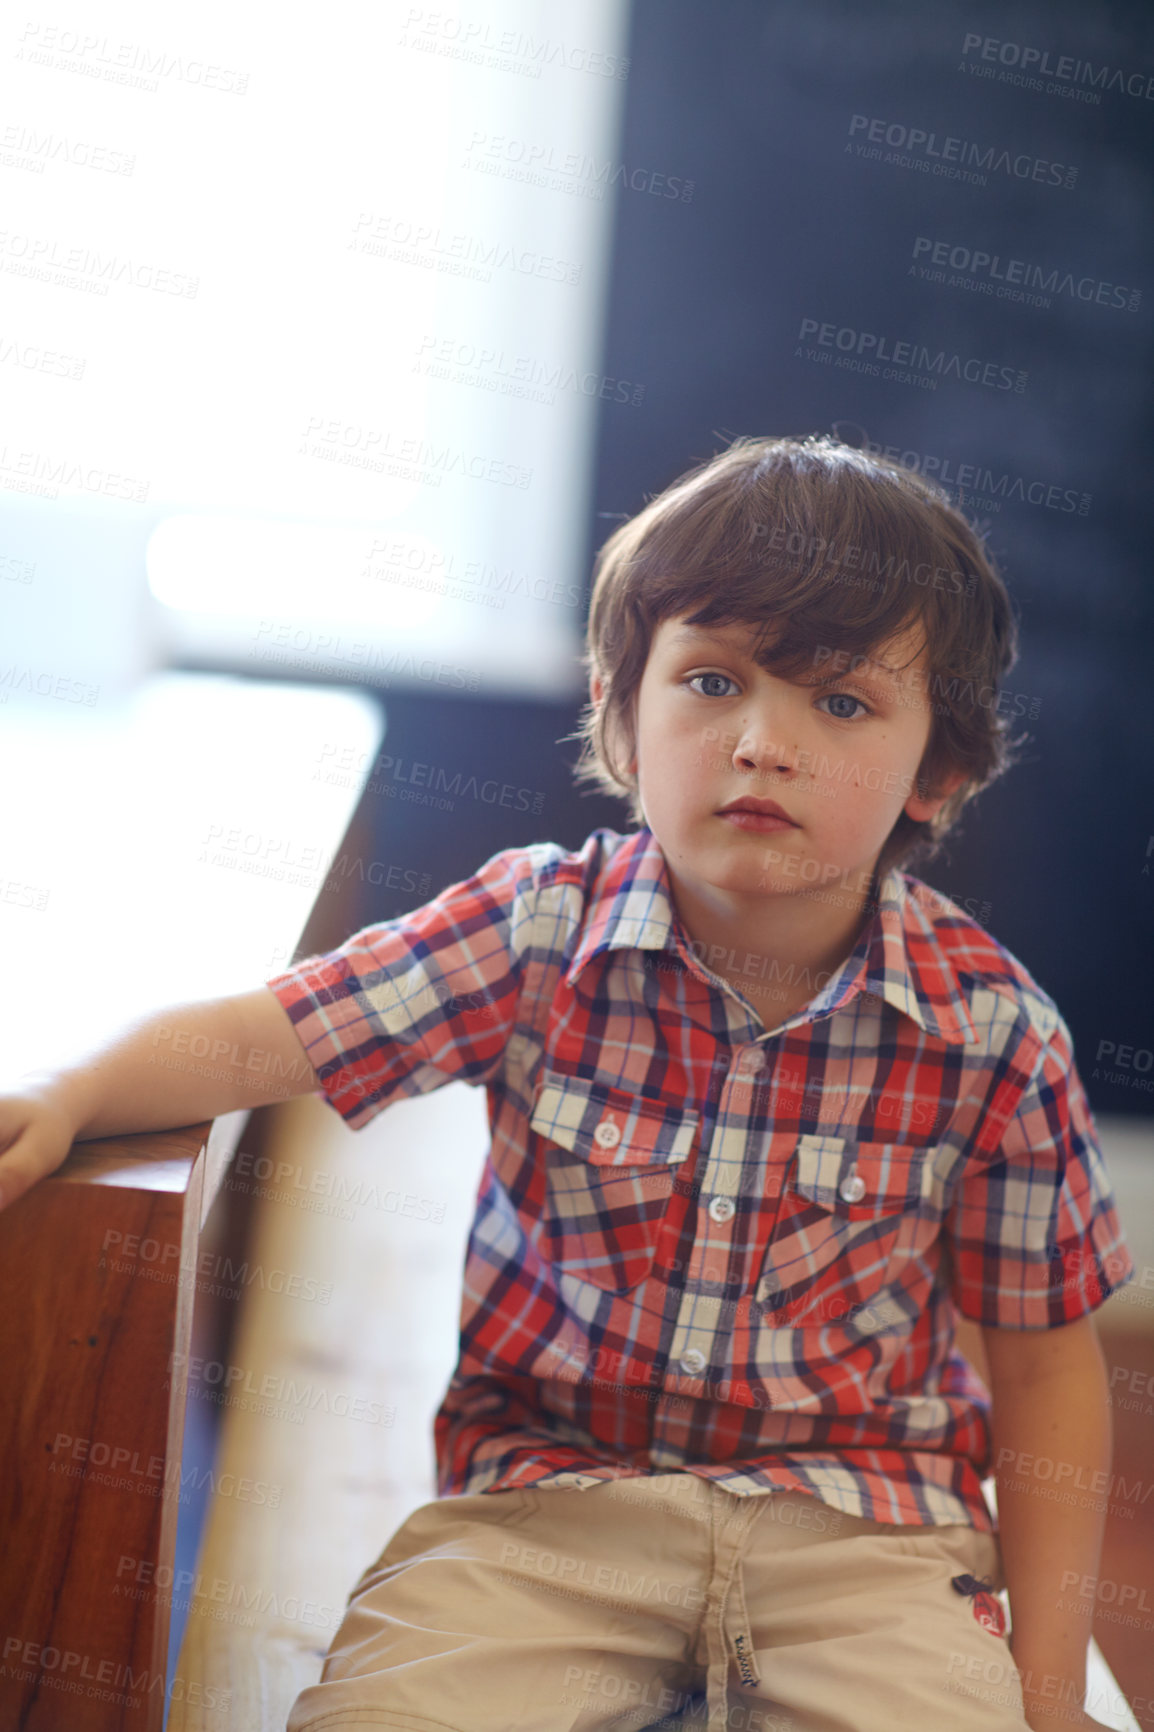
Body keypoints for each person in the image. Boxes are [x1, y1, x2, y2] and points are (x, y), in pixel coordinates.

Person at [0, 435, 1132, 1732]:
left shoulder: (989, 1032)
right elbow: (264, 1038)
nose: (761, 742)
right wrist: (76, 1088)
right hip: (543, 1514)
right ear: (618, 711)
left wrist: (1046, 1698)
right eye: (711, 681)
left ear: (939, 768)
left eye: (839, 703)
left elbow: (1048, 1378)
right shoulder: (534, 931)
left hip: (865, 1539)